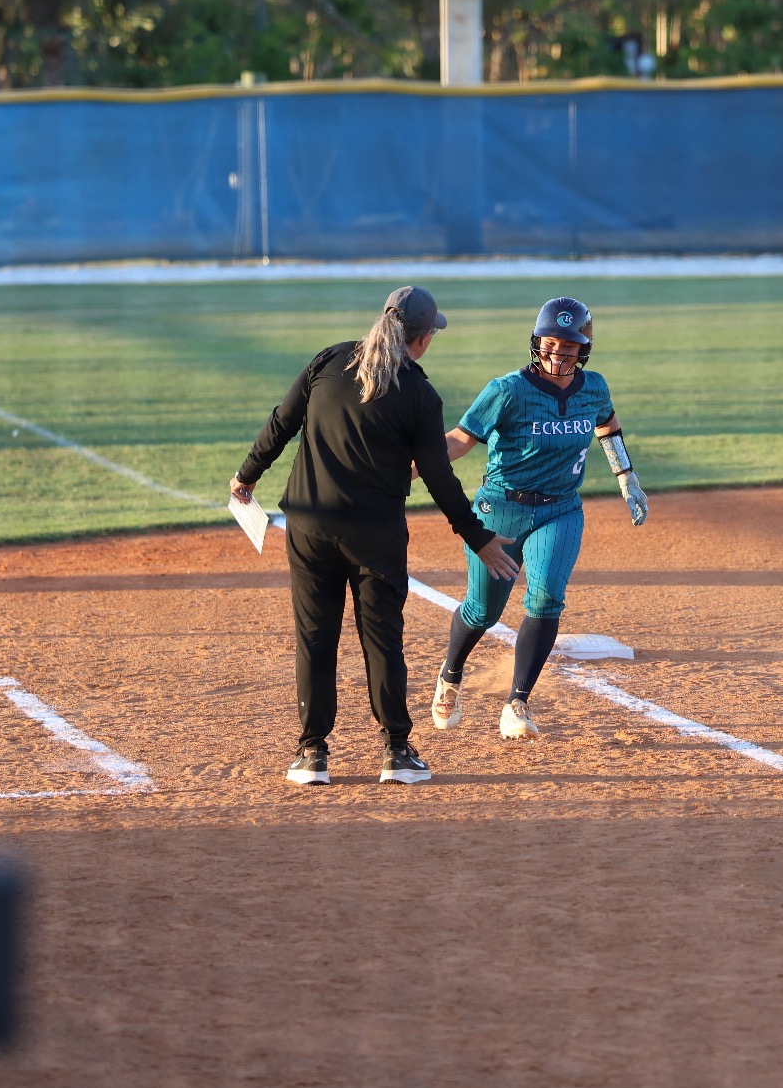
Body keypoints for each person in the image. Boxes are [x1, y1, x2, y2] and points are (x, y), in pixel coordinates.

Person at [231, 286, 517, 787]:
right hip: (376, 537)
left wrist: (247, 475)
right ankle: (396, 752)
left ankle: (312, 754)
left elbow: (282, 422)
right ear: (423, 339)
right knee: (382, 641)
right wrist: (479, 538)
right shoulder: (420, 393)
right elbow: (438, 477)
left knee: (315, 639)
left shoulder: (330, 360)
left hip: (310, 526)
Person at [430, 297, 649, 740]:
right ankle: (450, 675)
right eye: (550, 343)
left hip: (560, 509)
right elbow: (459, 439)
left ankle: (517, 702)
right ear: (536, 342)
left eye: (568, 346)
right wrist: (414, 465)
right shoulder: (507, 389)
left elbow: (609, 426)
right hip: (502, 509)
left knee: (547, 598)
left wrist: (627, 476)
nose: (557, 353)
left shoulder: (594, 388)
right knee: (483, 611)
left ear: (584, 348)